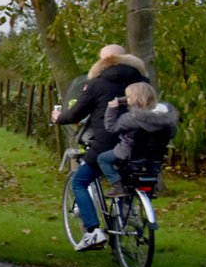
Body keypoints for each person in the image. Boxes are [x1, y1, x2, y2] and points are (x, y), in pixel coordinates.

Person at [53, 48, 145, 250]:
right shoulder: (143, 82)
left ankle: (93, 232)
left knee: (80, 181)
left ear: (105, 62)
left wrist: (58, 117)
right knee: (125, 181)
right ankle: (125, 223)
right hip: (140, 147)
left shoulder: (96, 84)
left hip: (108, 145)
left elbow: (75, 115)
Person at [99, 82, 178, 197]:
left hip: (129, 153)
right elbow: (172, 133)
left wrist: (112, 109)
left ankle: (117, 186)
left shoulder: (130, 118)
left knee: (102, 158)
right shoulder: (167, 119)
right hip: (154, 157)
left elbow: (111, 128)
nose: (127, 98)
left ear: (135, 98)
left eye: (128, 96)